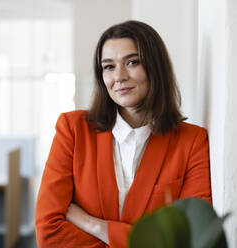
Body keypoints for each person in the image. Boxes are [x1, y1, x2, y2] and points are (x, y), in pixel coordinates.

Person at [35, 20, 211, 248]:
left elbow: (191, 239)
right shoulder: (73, 129)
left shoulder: (192, 142)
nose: (119, 76)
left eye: (132, 62)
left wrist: (95, 225)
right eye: (108, 66)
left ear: (155, 67)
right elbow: (48, 232)